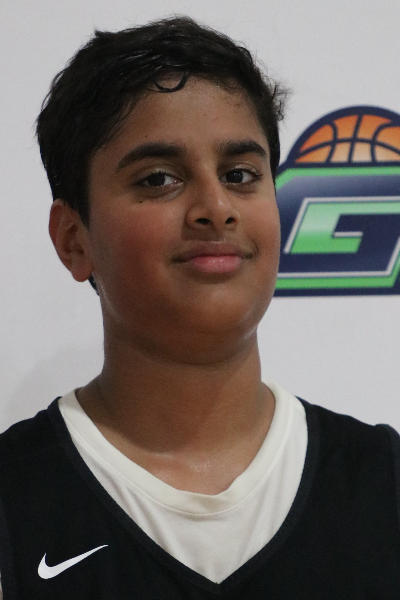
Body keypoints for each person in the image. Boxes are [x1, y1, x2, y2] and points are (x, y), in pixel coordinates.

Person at [0, 16, 399, 600]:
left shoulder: (383, 483)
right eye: (159, 179)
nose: (216, 206)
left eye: (240, 175)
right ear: (73, 239)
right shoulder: (16, 498)